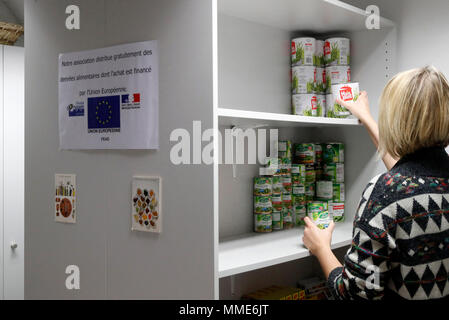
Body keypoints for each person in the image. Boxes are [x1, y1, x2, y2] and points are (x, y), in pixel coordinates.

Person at [303, 66, 449, 300]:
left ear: (394, 121)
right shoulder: (425, 185)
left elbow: (353, 295)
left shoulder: (386, 193)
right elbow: (411, 178)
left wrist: (321, 249)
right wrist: (366, 117)